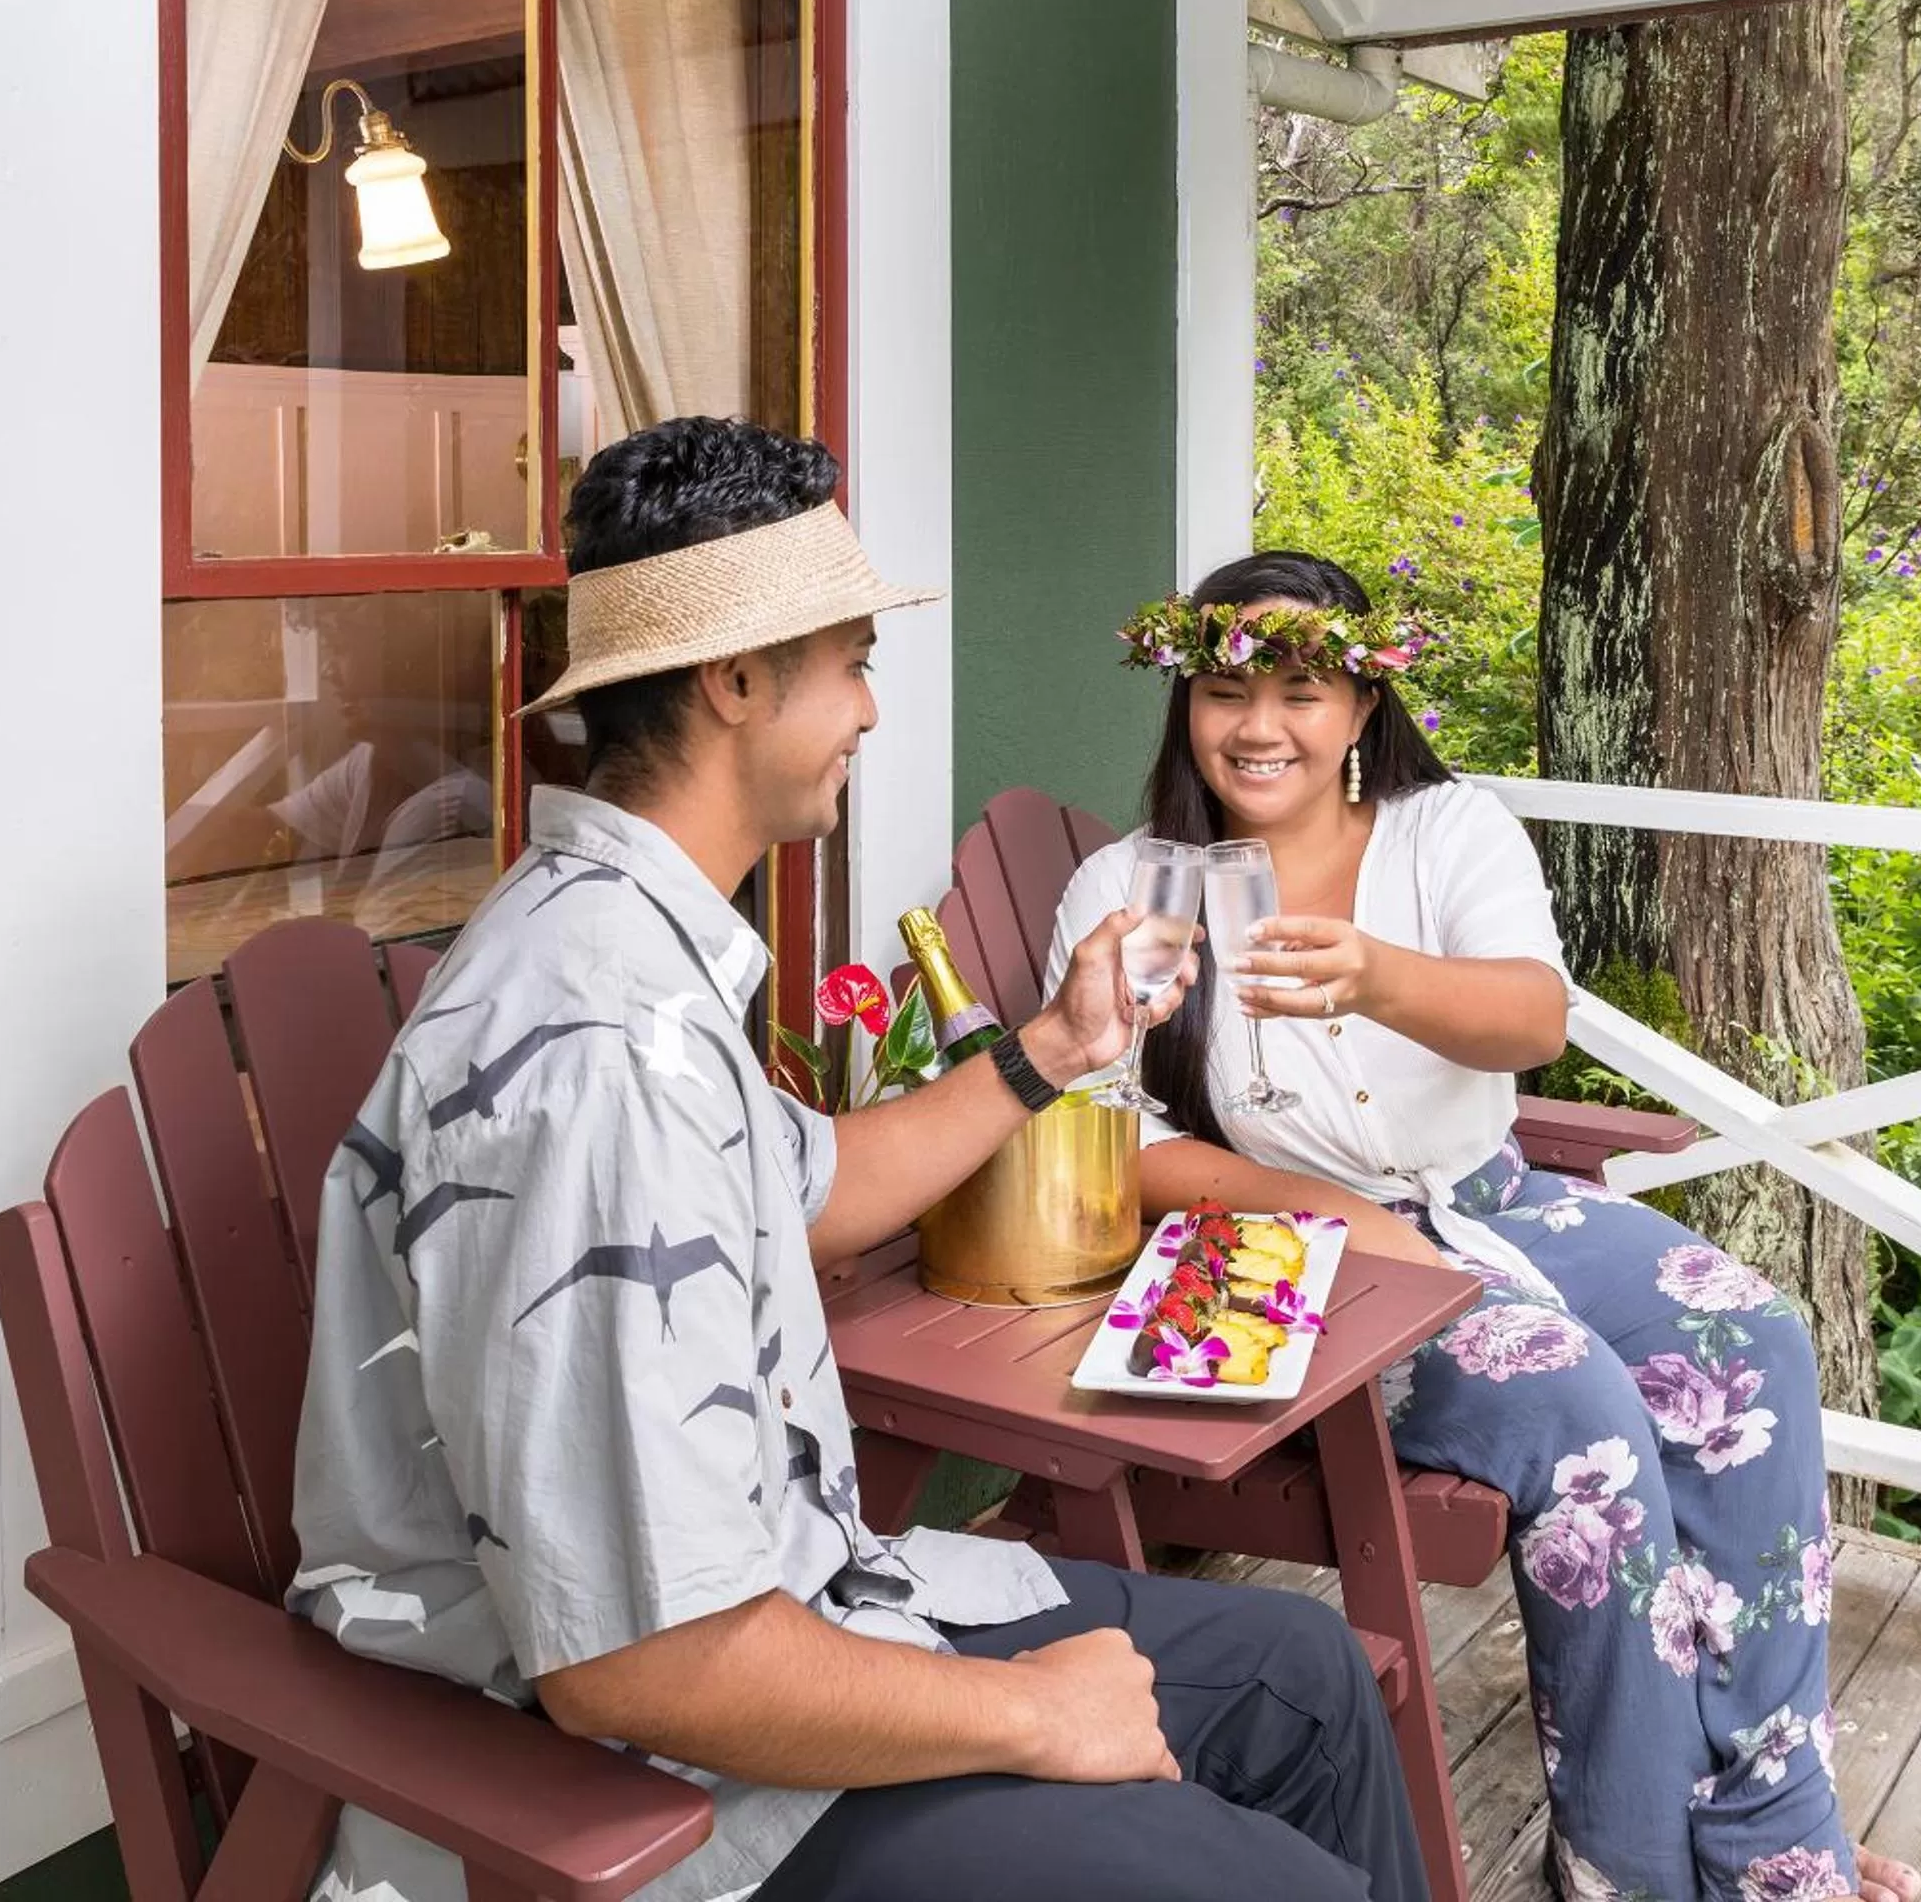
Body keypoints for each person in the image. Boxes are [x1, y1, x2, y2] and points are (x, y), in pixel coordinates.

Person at [285, 423, 1429, 1902]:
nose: (873, 711)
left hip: (812, 1601)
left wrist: (1053, 1048)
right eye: (852, 664)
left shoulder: (633, 948)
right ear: (736, 679)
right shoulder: (598, 1053)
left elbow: (813, 1188)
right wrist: (1031, 1713)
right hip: (650, 1793)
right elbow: (645, 1665)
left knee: (1304, 1679)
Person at [1048, 550, 1921, 1902]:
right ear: (1186, 701)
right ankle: (1630, 1869)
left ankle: (1768, 1832)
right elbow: (1112, 1133)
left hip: (1494, 1201)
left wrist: (1377, 977)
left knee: (1755, 1340)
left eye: (1301, 692)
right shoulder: (1138, 888)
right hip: (1281, 1259)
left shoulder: (1445, 832)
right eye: (1227, 693)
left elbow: (1532, 1017)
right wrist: (1342, 1216)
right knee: (1579, 1410)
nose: (1261, 727)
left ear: (1362, 704)